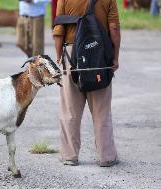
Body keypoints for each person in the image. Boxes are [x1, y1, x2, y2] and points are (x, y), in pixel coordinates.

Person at [53, 0, 121, 167]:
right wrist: (115, 57)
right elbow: (114, 29)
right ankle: (106, 157)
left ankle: (70, 155)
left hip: (71, 54)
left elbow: (58, 31)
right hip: (99, 54)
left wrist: (59, 57)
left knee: (70, 109)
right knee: (101, 110)